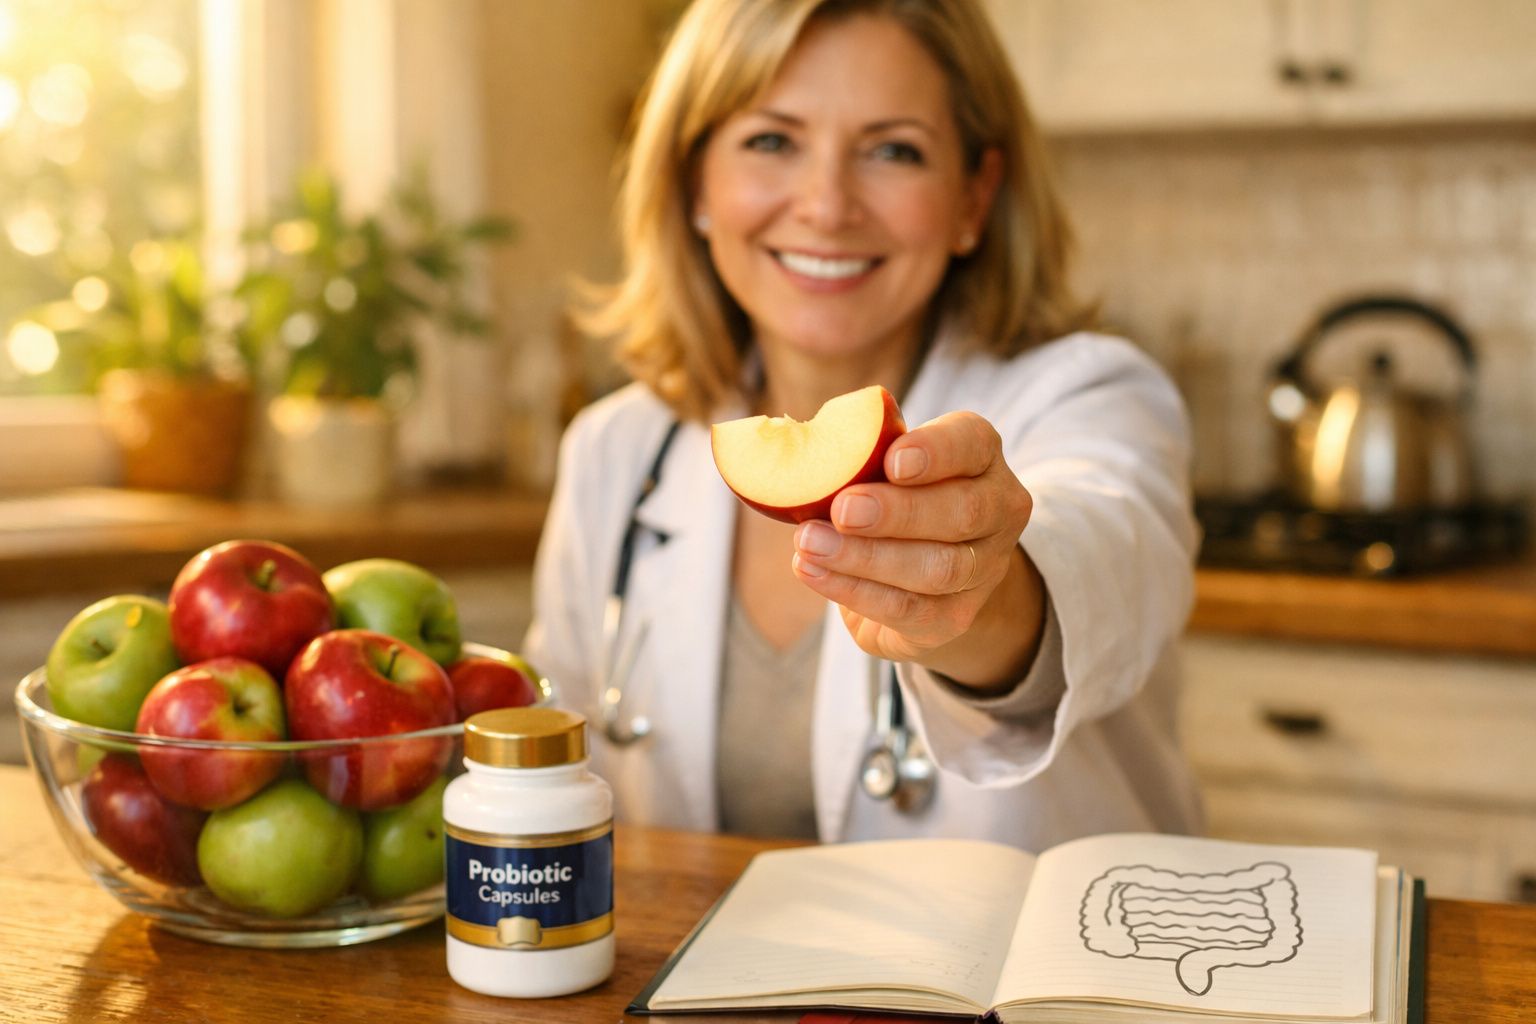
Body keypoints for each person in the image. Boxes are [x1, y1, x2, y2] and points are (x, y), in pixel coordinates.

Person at [523, 0, 1204, 850]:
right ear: (696, 181)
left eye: (893, 151)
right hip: (687, 982)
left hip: (1024, 981)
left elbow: (1108, 557)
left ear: (972, 198)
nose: (827, 205)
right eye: (771, 140)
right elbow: (550, 780)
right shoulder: (616, 450)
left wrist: (980, 593)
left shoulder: (1093, 395)